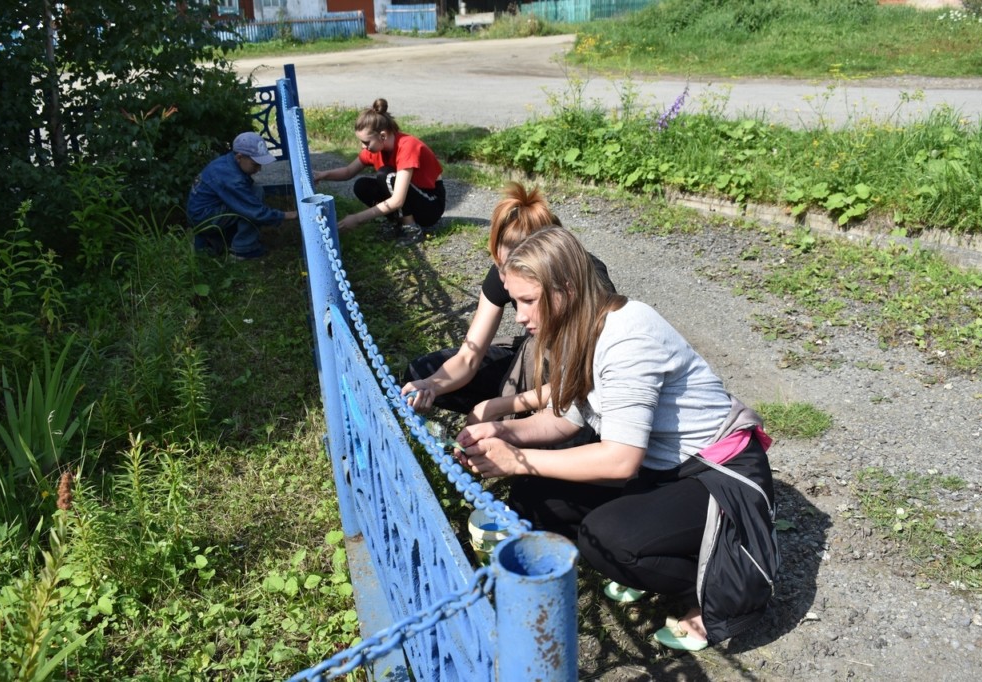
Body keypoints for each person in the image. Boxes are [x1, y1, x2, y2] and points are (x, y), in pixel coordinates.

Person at [453, 226, 775, 652]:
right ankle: (665, 548)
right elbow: (563, 421)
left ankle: (725, 569)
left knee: (608, 539)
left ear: (565, 289)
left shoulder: (628, 337)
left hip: (716, 474)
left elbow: (619, 459)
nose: (519, 315)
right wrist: (499, 431)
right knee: (534, 495)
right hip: (660, 468)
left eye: (528, 300)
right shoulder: (575, 329)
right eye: (514, 301)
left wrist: (517, 458)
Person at [400, 182, 614, 422]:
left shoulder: (589, 280)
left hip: (576, 378)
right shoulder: (504, 275)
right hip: (537, 358)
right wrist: (431, 385)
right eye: (500, 265)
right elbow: (468, 356)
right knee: (422, 371)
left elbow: (582, 381)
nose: (504, 280)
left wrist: (498, 406)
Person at [312, 98, 445, 246]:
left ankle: (411, 229)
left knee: (386, 176)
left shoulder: (407, 146)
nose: (363, 147)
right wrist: (323, 175)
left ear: (382, 136)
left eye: (366, 142)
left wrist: (357, 219)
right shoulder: (376, 149)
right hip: (412, 198)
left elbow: (398, 200)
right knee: (362, 185)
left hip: (430, 204)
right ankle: (398, 224)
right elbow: (348, 171)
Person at [187, 131, 298, 259]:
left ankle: (218, 241)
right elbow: (255, 211)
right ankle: (243, 250)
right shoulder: (232, 179)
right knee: (254, 195)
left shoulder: (227, 163)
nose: (259, 169)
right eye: (255, 164)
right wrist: (289, 215)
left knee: (254, 191)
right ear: (239, 157)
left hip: (202, 214)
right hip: (204, 218)